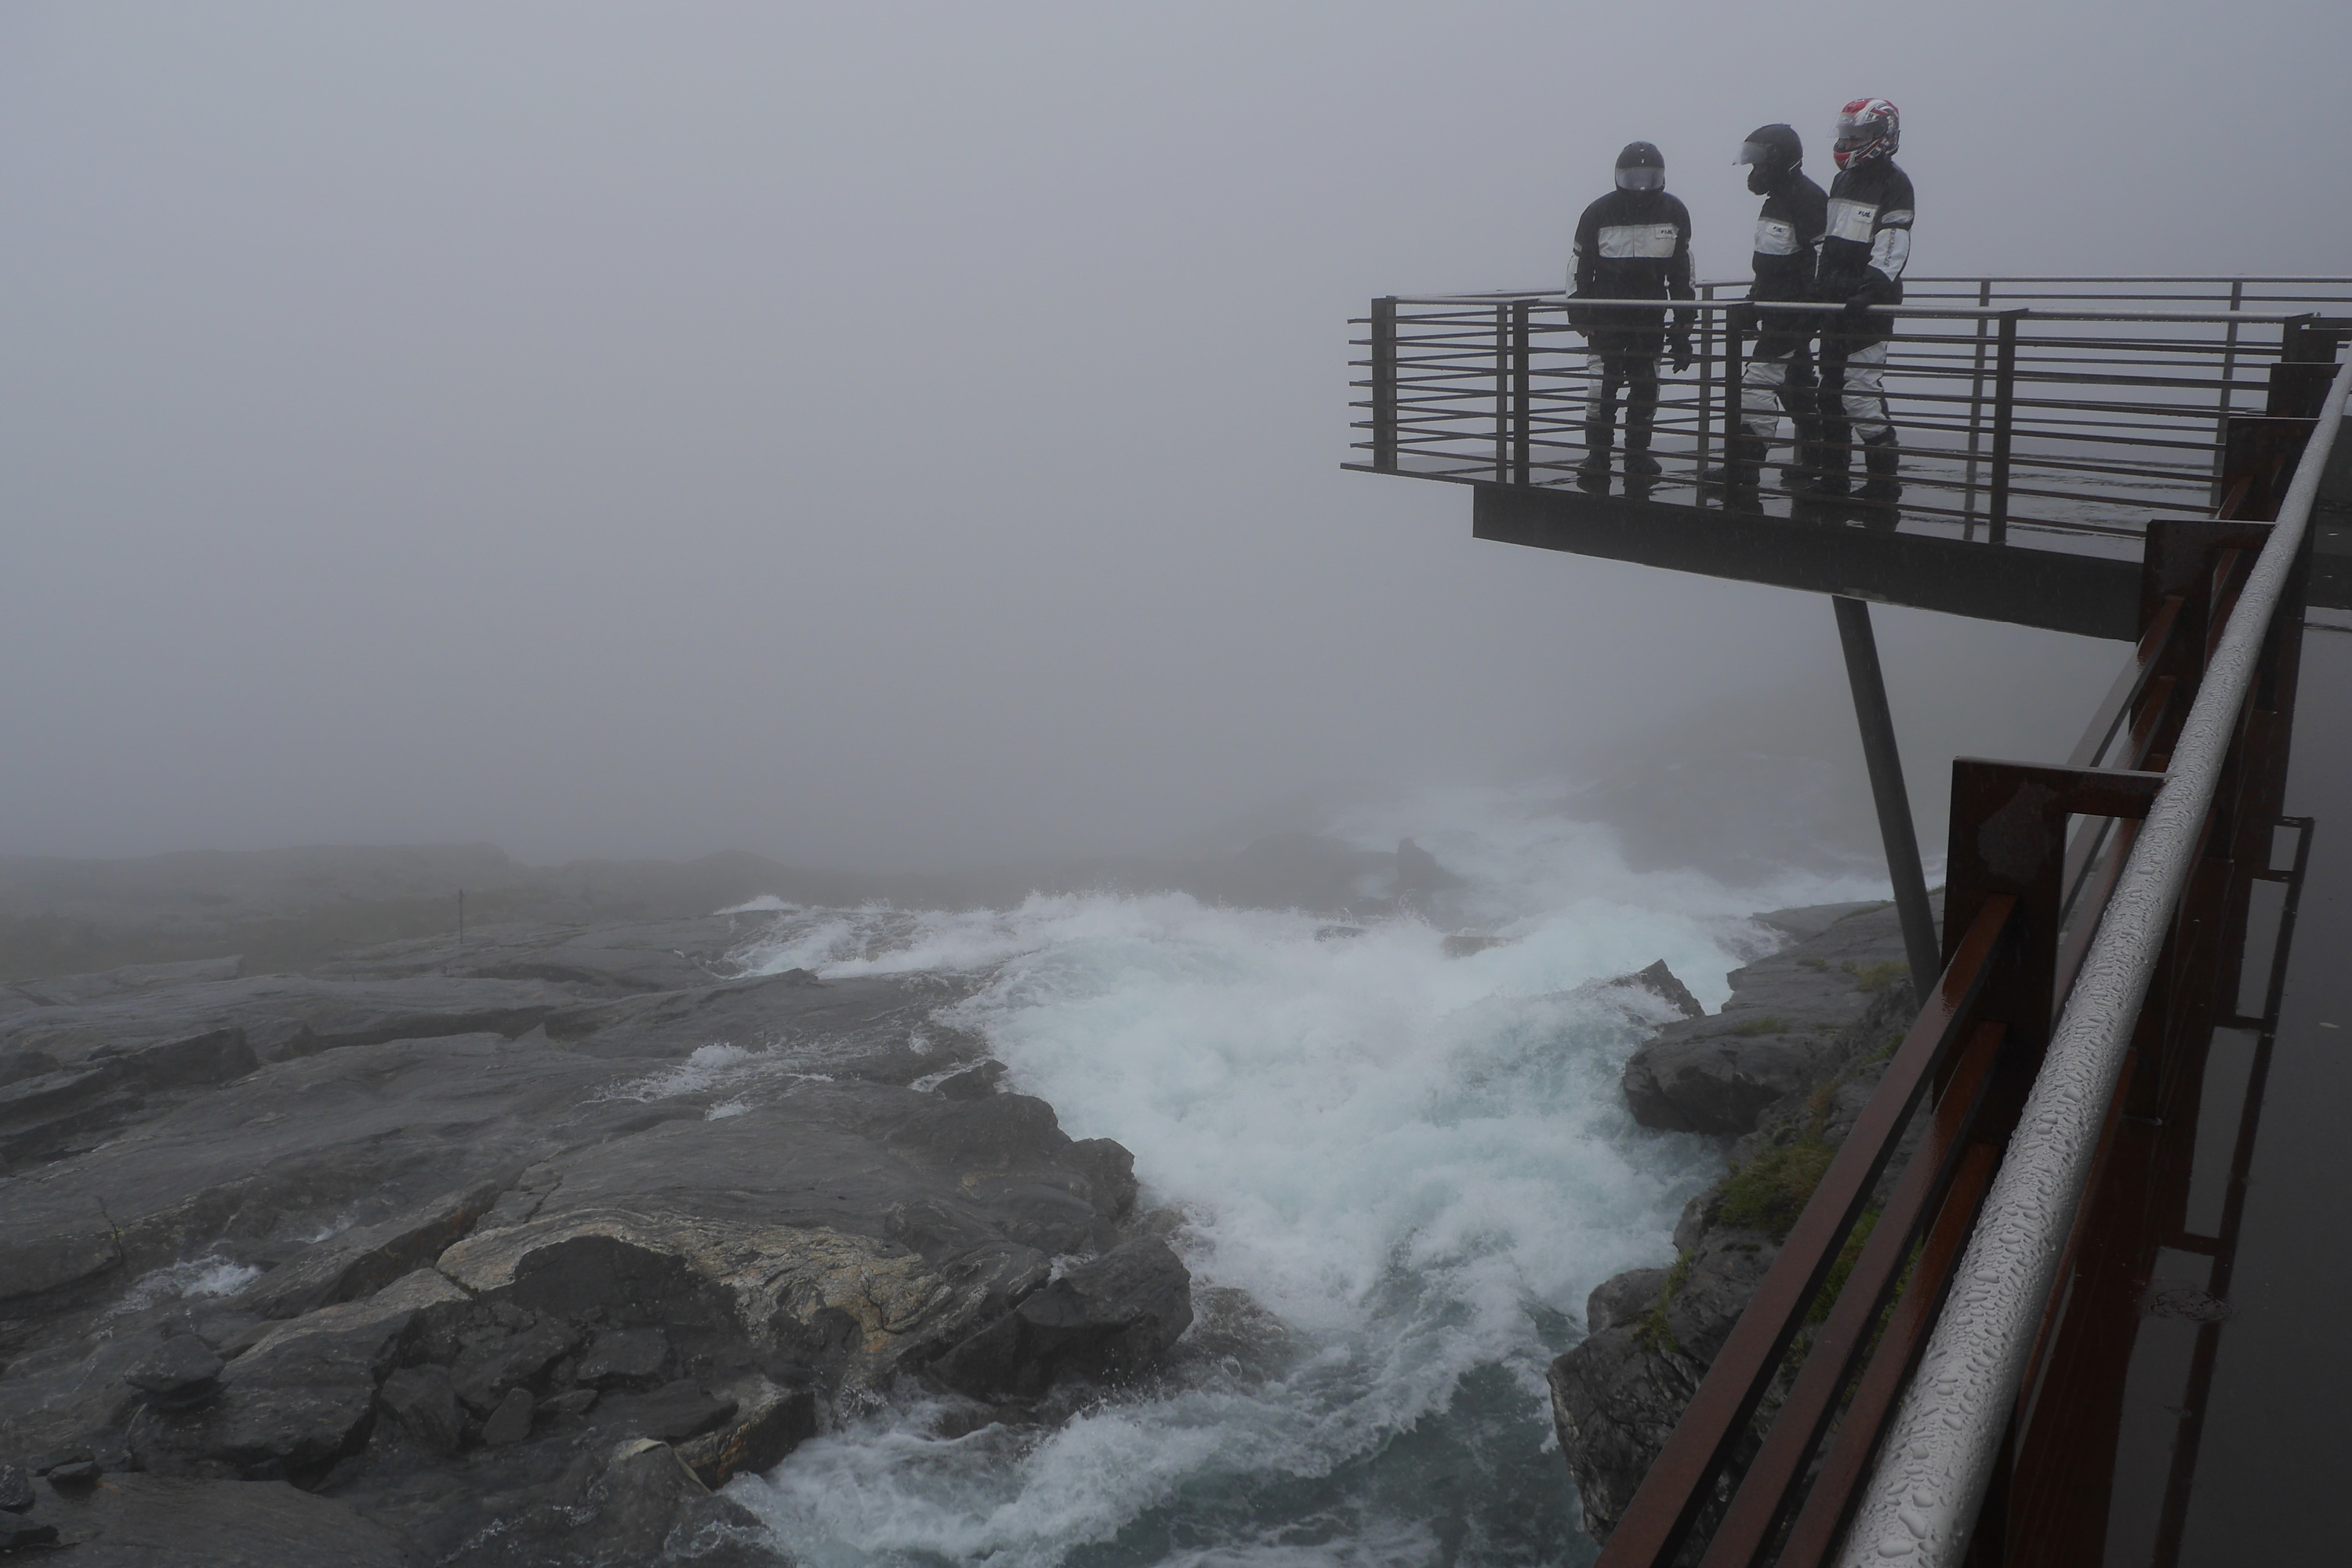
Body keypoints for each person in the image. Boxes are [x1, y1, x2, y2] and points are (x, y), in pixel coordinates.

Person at [1567, 142, 1695, 492]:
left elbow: (1682, 273)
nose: (1641, 186)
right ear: (1618, 177)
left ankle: (1637, 454)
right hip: (1607, 319)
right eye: (1633, 177)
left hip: (1649, 319)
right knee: (1601, 389)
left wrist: (1684, 326)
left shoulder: (1674, 211)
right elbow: (1580, 266)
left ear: (1661, 178)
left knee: (1646, 386)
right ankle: (1598, 456)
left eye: (1648, 177)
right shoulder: (1598, 213)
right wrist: (1579, 312)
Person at [1808, 98, 1915, 509]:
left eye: (1857, 136)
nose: (1848, 142)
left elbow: (1894, 241)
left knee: (1860, 392)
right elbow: (1830, 243)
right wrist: (1821, 287)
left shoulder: (1894, 182)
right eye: (1845, 135)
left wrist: (1871, 289)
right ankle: (1834, 480)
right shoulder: (1844, 181)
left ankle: (1883, 481)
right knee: (1830, 393)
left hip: (1869, 305)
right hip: (1835, 304)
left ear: (1881, 137)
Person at [1722, 123, 1828, 501]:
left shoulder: (1807, 198)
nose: (1753, 174)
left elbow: (1822, 261)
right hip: (1776, 310)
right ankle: (1820, 460)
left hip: (1792, 315)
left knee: (1757, 384)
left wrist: (1807, 315)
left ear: (1779, 162)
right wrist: (1755, 301)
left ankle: (1747, 466)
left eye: (1759, 166)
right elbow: (1773, 264)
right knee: (1797, 388)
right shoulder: (1779, 198)